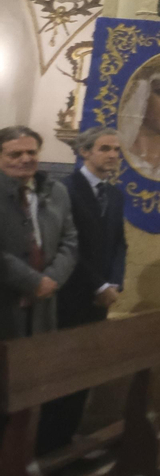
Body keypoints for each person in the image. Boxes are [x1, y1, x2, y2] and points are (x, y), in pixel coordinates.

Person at [38, 127, 128, 454]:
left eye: (117, 150)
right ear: (85, 152)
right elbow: (68, 245)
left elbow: (118, 243)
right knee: (61, 371)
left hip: (101, 296)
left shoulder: (115, 195)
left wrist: (115, 281)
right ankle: (46, 445)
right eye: (105, 148)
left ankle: (66, 441)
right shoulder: (65, 189)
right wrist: (99, 284)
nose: (113, 155)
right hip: (71, 294)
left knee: (85, 370)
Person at [0, 126, 76, 341]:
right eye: (15, 154)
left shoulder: (56, 191)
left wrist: (52, 279)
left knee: (36, 364)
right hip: (5, 298)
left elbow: (70, 240)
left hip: (44, 301)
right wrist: (34, 282)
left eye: (31, 153)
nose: (25, 159)